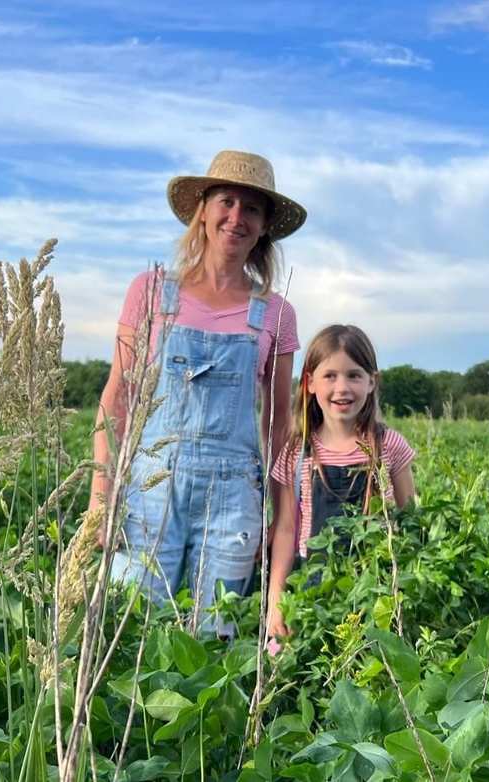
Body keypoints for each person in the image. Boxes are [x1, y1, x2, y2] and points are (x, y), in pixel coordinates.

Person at [89, 150, 303, 629]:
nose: (236, 217)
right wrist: (101, 494)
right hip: (150, 486)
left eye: (251, 208)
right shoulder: (149, 290)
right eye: (226, 201)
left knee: (215, 631)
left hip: (234, 496)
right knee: (129, 627)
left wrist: (281, 515)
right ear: (202, 210)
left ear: (265, 224)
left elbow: (280, 425)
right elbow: (116, 397)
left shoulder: (276, 313)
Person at [265, 324, 416, 640]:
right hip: (309, 590)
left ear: (372, 382)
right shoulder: (297, 452)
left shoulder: (389, 445)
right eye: (330, 376)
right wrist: (276, 601)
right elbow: (285, 530)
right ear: (309, 383)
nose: (342, 387)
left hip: (374, 589)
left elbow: (410, 522)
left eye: (354, 375)